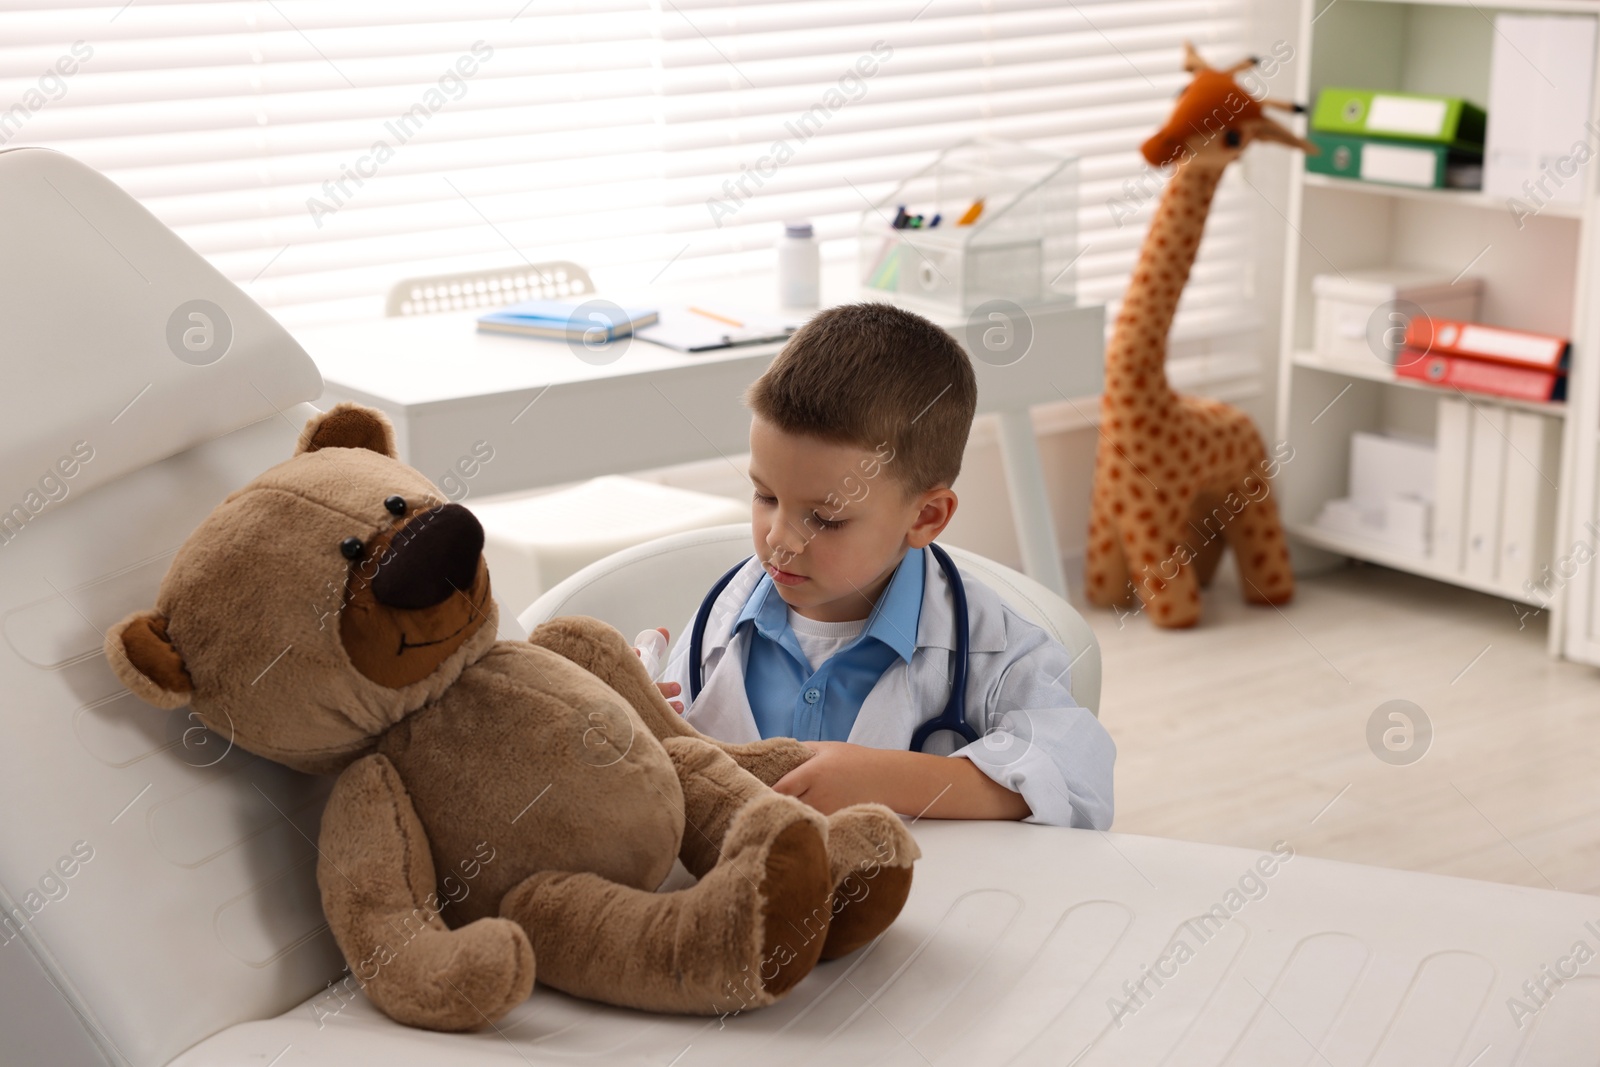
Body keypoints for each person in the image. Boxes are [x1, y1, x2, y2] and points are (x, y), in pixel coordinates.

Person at [653, 302, 1114, 828]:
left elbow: (1077, 785)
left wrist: (884, 777)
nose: (780, 537)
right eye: (764, 496)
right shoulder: (717, 623)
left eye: (825, 518)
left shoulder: (997, 649)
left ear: (926, 516)